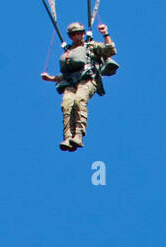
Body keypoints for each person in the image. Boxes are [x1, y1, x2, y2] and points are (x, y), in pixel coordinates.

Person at [41, 22, 118, 151]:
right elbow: (66, 74)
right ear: (70, 36)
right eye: (73, 34)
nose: (77, 36)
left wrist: (105, 34)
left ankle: (78, 135)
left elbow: (111, 51)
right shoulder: (69, 52)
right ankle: (68, 137)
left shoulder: (91, 46)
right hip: (70, 83)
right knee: (66, 104)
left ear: (83, 33)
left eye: (79, 33)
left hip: (87, 80)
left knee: (79, 100)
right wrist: (51, 79)